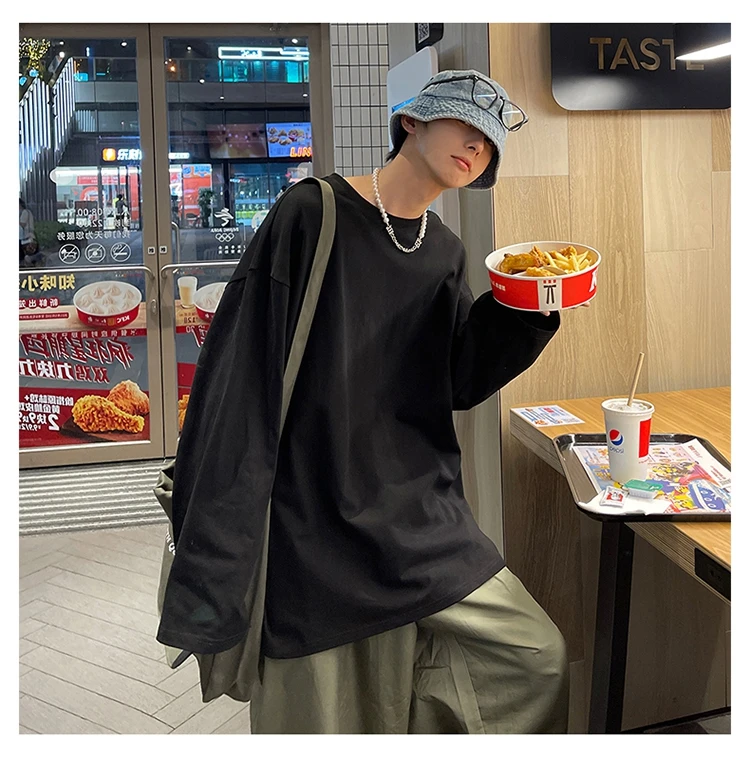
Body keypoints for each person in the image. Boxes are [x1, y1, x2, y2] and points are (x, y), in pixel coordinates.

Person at [157, 70, 575, 734]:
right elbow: (243, 369)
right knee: (325, 720)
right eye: (465, 124)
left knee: (535, 656)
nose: (478, 145)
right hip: (312, 508)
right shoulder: (313, 212)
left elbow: (457, 380)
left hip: (418, 512)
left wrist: (528, 308)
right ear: (412, 121)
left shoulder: (442, 250)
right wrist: (222, 527)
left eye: (491, 142)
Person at [19, 198, 36, 264]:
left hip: (27, 237)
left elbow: (23, 224)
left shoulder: (25, 212)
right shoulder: (28, 212)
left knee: (25, 254)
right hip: (30, 236)